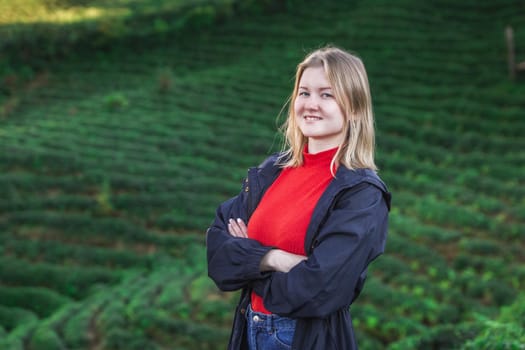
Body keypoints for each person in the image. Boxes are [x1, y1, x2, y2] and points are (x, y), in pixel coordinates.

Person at [206, 45, 391, 350]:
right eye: (304, 93)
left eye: (326, 94)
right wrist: (275, 258)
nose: (310, 104)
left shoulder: (362, 193)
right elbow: (218, 256)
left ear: (355, 108)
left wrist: (249, 262)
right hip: (249, 331)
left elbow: (319, 289)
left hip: (301, 339)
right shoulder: (271, 172)